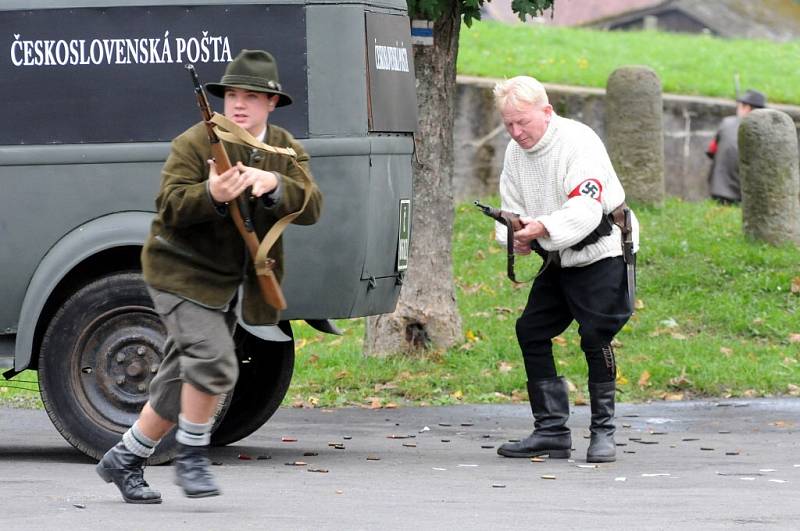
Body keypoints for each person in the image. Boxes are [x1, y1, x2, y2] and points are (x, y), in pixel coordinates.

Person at [95, 49, 323, 503]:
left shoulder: (282, 148)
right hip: (177, 270)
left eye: (252, 96)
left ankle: (124, 457)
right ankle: (191, 455)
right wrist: (212, 194)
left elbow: (312, 205)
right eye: (232, 94)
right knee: (215, 362)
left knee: (182, 377)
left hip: (224, 282)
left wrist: (274, 185)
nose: (239, 104)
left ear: (271, 103)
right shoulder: (196, 142)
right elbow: (170, 206)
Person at [491, 76, 639, 464]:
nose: (516, 132)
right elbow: (511, 207)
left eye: (522, 122)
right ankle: (551, 431)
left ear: (547, 111)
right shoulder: (514, 151)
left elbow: (586, 209)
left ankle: (603, 433)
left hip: (603, 250)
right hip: (560, 255)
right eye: (508, 123)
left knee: (595, 336)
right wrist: (516, 235)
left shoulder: (578, 142)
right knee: (531, 330)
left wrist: (546, 229)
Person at [706, 89, 767, 205]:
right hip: (747, 196)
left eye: (739, 106)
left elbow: (711, 151)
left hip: (718, 190)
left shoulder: (726, 123)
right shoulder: (765, 132)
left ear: (747, 108)